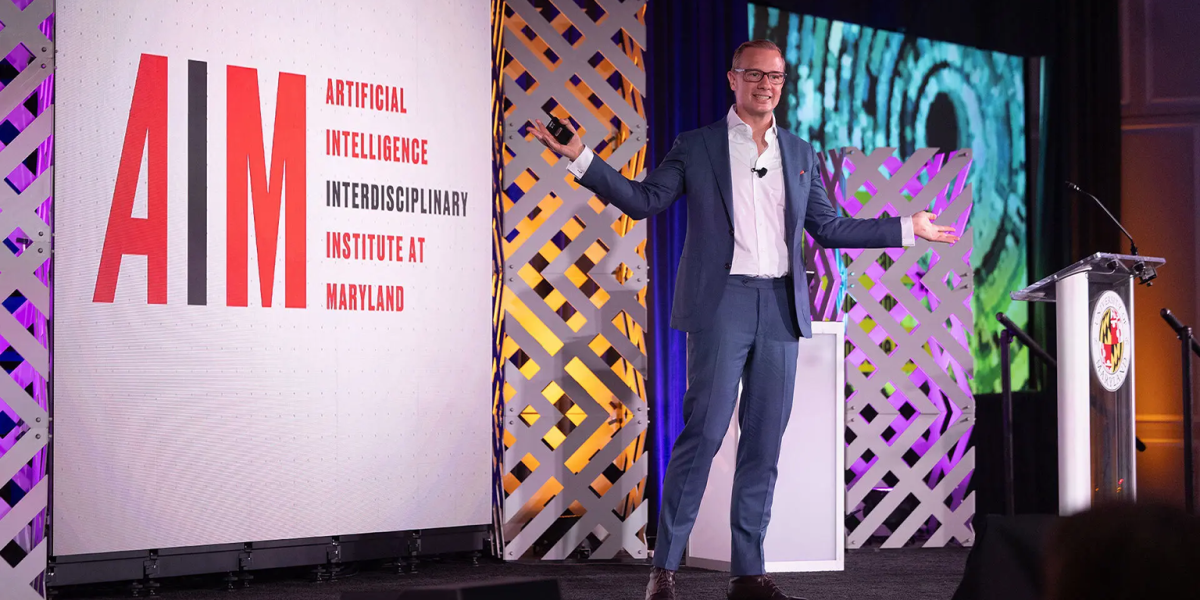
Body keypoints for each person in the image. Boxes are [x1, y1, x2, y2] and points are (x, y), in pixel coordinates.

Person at [531, 39, 959, 600]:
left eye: (776, 77)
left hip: (779, 306)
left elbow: (829, 229)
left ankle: (748, 573)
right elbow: (643, 200)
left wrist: (906, 227)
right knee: (704, 434)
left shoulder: (801, 154)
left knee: (763, 444)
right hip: (721, 304)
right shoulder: (699, 145)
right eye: (754, 74)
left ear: (784, 84)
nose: (766, 85)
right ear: (732, 79)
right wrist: (582, 157)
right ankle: (664, 569)